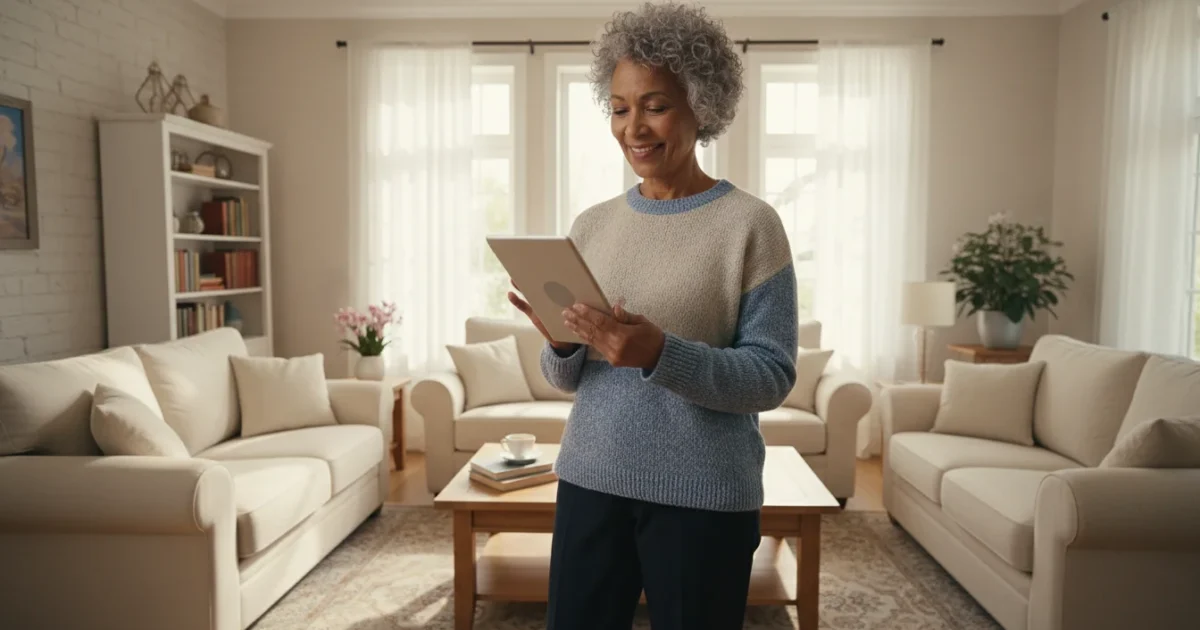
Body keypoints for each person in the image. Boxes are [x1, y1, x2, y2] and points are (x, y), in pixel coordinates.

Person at [506, 2, 798, 628]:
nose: (632, 127)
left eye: (655, 105)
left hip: (704, 496)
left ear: (703, 105)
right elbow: (569, 379)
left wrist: (660, 354)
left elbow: (772, 376)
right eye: (618, 108)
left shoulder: (751, 225)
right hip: (591, 480)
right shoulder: (593, 225)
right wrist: (561, 345)